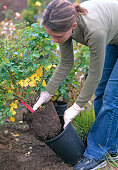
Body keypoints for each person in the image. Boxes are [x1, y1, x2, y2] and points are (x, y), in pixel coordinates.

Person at [33, 0, 118, 169]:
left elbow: (94, 73)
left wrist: (77, 107)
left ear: (73, 26)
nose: (54, 40)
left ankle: (97, 153)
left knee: (112, 95)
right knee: (101, 89)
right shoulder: (62, 26)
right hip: (114, 37)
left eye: (57, 36)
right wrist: (47, 92)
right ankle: (111, 145)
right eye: (50, 35)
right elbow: (66, 63)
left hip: (107, 32)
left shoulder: (94, 30)